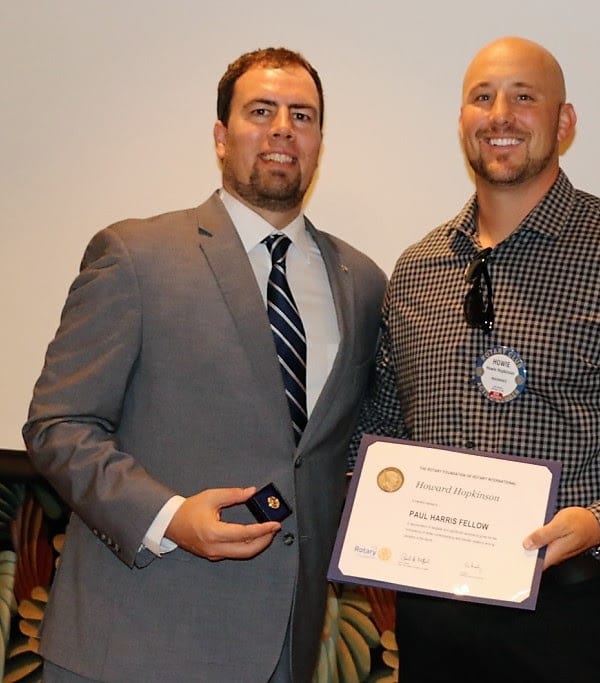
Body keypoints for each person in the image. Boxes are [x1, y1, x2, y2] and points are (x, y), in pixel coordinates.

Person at [351, 36, 600, 682]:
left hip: (578, 617)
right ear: (462, 121)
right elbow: (385, 427)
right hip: (433, 618)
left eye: (524, 97)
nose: (500, 115)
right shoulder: (418, 269)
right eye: (482, 98)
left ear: (564, 122)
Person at [23, 47, 386, 683]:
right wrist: (168, 517)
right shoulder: (134, 255)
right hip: (134, 644)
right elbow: (59, 424)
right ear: (221, 136)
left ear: (318, 142)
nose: (282, 129)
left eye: (301, 116)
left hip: (286, 650)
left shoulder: (362, 282)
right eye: (261, 112)